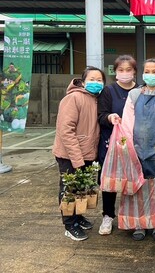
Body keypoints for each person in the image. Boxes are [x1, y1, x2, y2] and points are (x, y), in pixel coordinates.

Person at [120, 58, 155, 240]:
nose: (150, 75)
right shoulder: (134, 94)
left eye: (154, 72)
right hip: (136, 148)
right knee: (136, 187)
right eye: (147, 72)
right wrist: (127, 146)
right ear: (142, 74)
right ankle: (138, 223)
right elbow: (127, 122)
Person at [52, 66, 106, 241]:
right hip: (70, 154)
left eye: (99, 80)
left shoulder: (96, 99)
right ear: (83, 82)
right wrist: (77, 159)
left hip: (88, 153)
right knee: (69, 189)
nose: (96, 83)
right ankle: (69, 224)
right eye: (92, 79)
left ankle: (78, 216)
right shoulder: (73, 98)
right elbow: (66, 131)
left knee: (81, 189)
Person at [96, 55, 137, 235]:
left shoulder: (141, 90)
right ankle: (108, 216)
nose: (125, 73)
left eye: (128, 70)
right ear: (115, 72)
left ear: (135, 71)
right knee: (110, 180)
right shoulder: (108, 91)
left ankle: (131, 214)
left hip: (135, 143)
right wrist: (110, 117)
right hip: (111, 143)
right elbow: (101, 115)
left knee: (132, 179)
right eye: (121, 70)